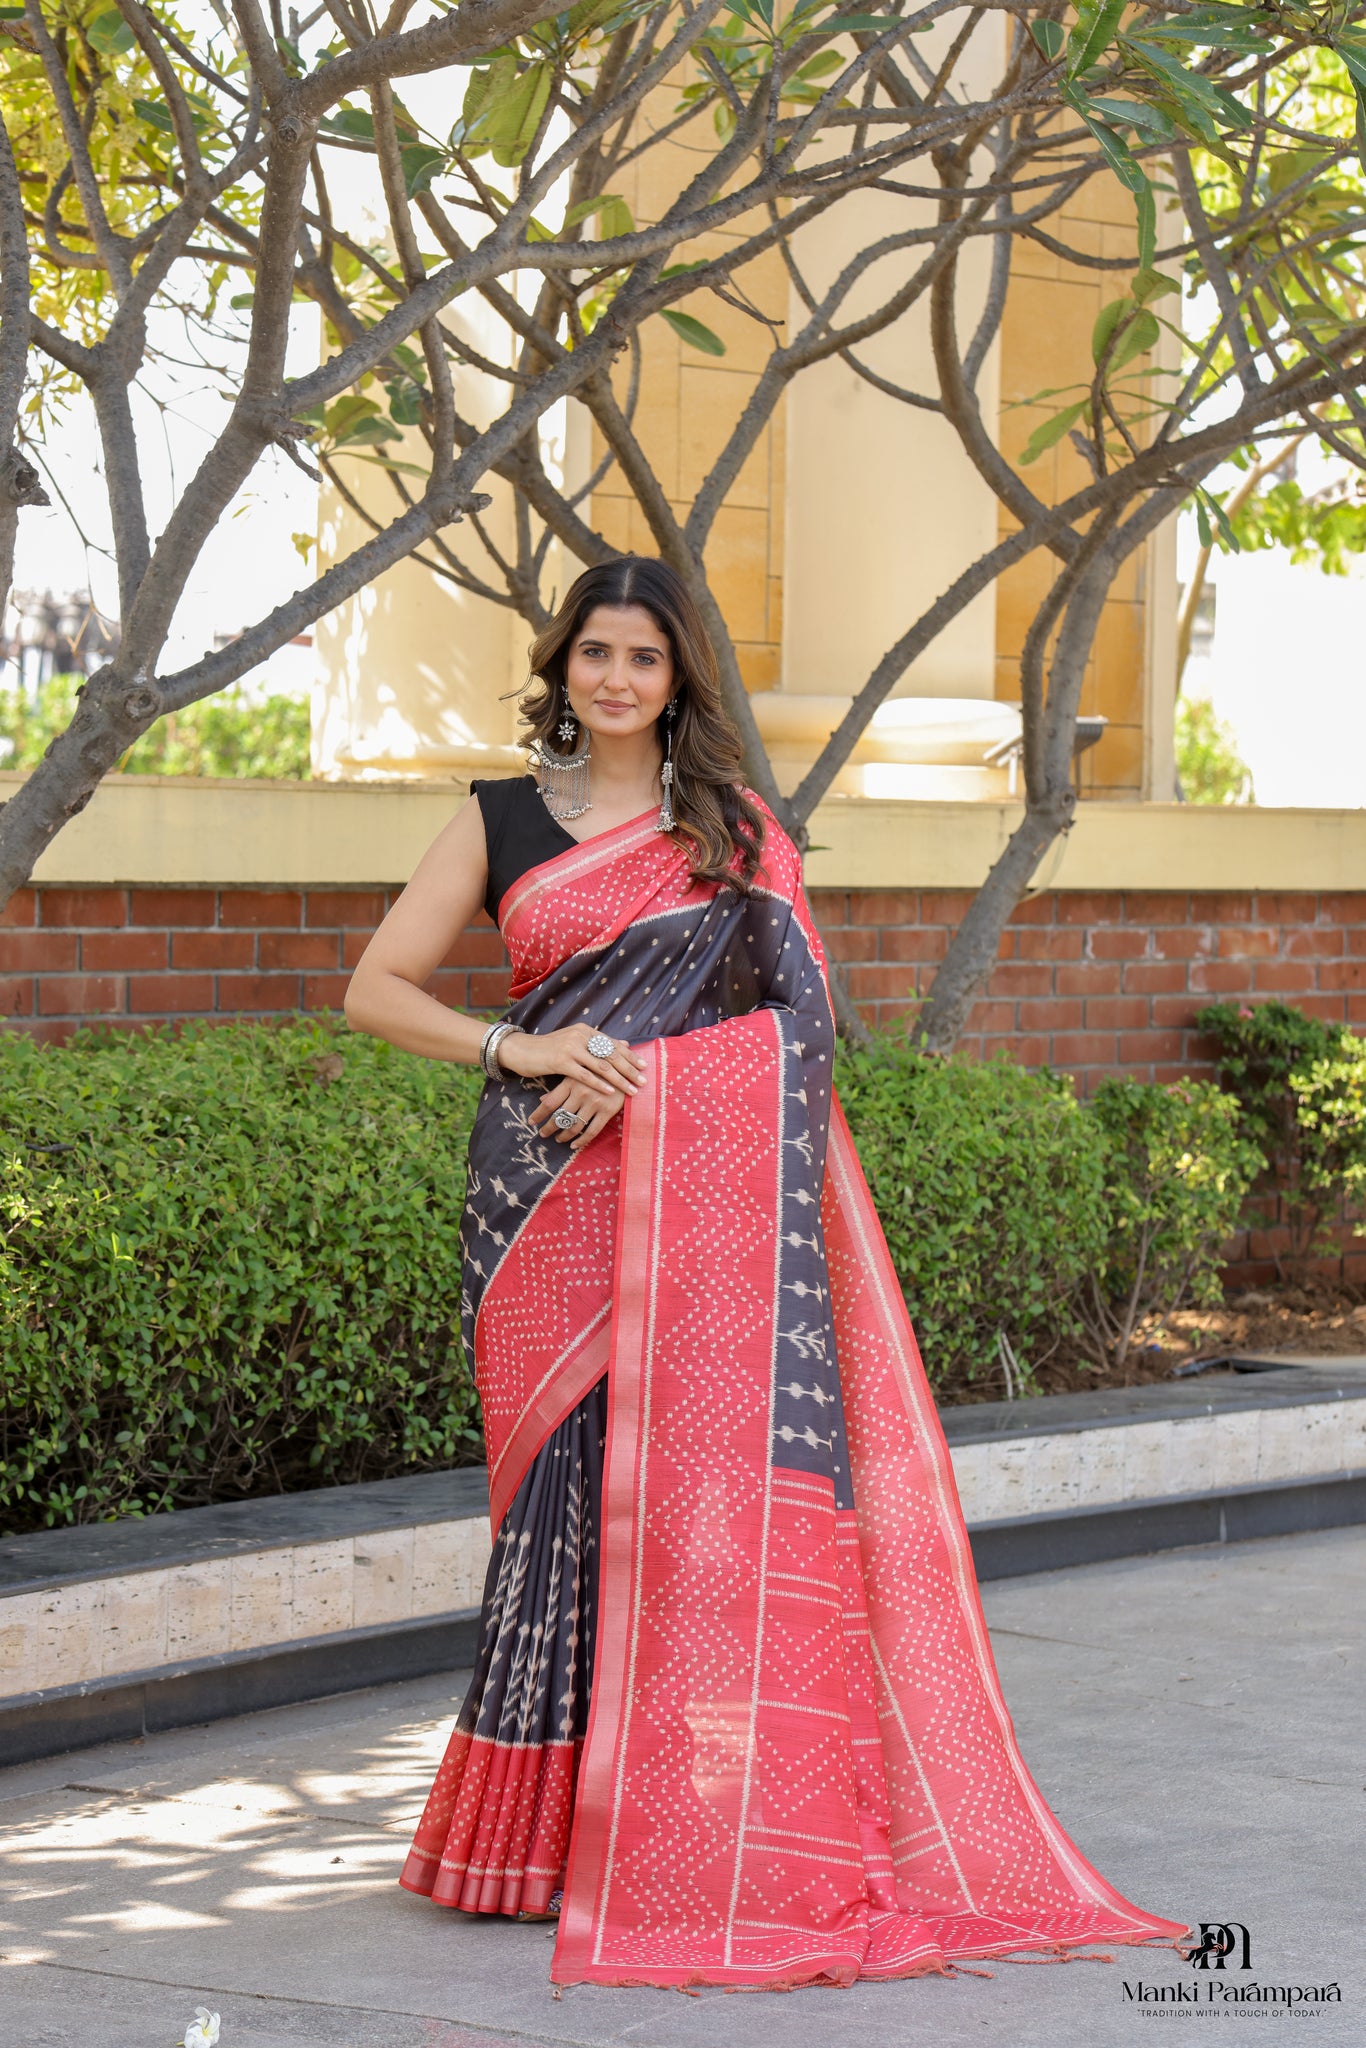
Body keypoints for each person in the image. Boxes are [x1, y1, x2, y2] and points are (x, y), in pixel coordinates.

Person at [343, 555, 1190, 1991]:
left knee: (685, 1508)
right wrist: (525, 1046)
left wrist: (649, 1078)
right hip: (539, 1193)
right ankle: (526, 1846)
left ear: (678, 676)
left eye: (644, 657)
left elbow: (801, 1030)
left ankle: (669, 1830)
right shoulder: (497, 817)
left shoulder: (732, 832)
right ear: (561, 669)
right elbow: (376, 987)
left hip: (693, 1194)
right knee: (554, 1502)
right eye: (595, 653)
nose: (617, 679)